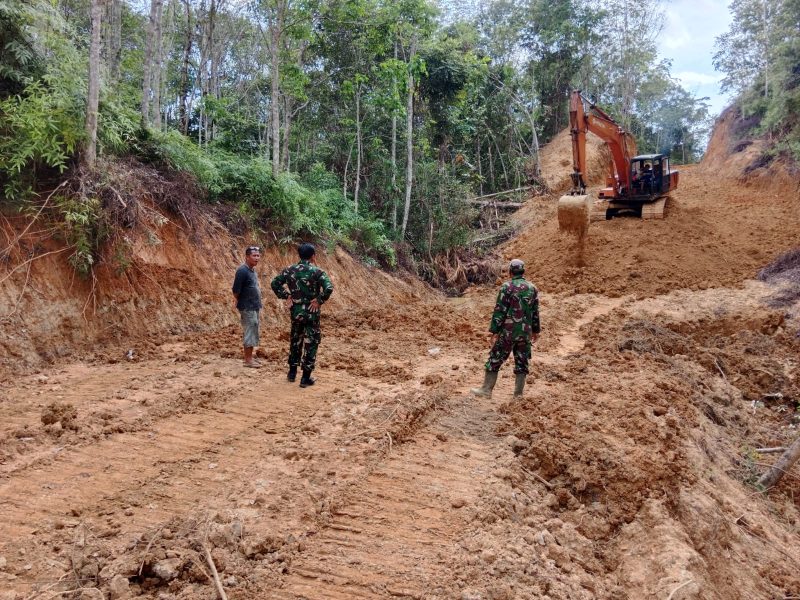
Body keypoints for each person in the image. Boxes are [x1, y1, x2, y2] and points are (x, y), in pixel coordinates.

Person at [471, 258, 540, 399]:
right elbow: (535, 312)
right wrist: (535, 331)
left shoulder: (506, 287)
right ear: (523, 271)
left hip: (508, 332)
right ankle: (518, 395)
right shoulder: (532, 288)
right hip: (525, 332)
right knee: (522, 361)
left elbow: (500, 311)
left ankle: (486, 390)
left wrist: (494, 331)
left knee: (495, 358)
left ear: (510, 272)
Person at [271, 243, 334, 387]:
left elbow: (275, 284)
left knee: (295, 340)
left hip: (296, 312)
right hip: (312, 314)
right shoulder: (317, 271)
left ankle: (292, 373)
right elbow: (329, 288)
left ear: (299, 255)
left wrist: (286, 296)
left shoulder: (289, 270)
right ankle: (305, 378)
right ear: (313, 256)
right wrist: (319, 300)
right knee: (311, 343)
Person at [232, 245, 263, 368]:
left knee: (253, 329)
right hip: (247, 306)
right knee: (250, 330)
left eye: (258, 255)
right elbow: (236, 290)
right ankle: (248, 360)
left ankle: (250, 357)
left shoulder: (252, 270)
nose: (257, 258)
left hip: (254, 305)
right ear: (247, 257)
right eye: (254, 256)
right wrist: (237, 299)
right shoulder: (242, 271)